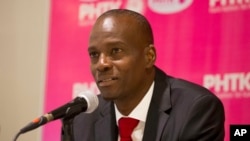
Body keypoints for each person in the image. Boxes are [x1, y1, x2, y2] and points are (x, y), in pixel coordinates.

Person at [67, 9, 225, 141]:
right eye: (94, 54)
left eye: (115, 51)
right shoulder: (81, 120)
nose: (101, 64)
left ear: (149, 57)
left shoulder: (195, 110)